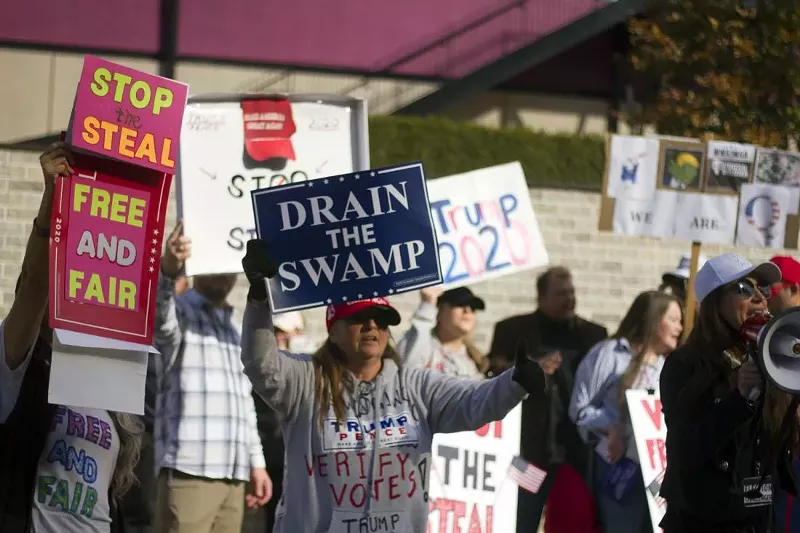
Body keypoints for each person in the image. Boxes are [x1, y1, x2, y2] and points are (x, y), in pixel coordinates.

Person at [237, 238, 550, 532]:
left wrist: (515, 381)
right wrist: (260, 298)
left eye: (382, 319)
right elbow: (261, 363)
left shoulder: (414, 384)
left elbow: (474, 401)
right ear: (334, 330)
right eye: (361, 317)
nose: (373, 325)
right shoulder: (305, 378)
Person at [0, 142, 144, 533]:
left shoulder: (107, 386)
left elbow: (112, 499)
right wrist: (52, 199)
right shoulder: (19, 368)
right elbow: (32, 285)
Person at [660, 252, 798, 533]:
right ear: (714, 303)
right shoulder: (686, 364)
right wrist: (738, 400)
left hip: (758, 517)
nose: (760, 297)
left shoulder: (766, 356)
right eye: (745, 289)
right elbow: (684, 449)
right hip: (704, 521)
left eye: (764, 288)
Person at [152, 221, 272, 533]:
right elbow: (159, 315)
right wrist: (168, 268)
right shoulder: (180, 313)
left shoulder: (234, 328)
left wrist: (256, 463)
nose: (222, 270)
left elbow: (244, 402)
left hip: (234, 475)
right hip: (189, 471)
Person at [488, 266, 607, 533]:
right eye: (561, 293)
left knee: (573, 522)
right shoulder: (512, 331)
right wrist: (529, 369)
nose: (569, 299)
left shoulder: (593, 335)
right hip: (528, 452)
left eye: (572, 292)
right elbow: (493, 377)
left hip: (575, 454)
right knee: (523, 518)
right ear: (541, 297)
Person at [570, 291, 682, 533]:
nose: (679, 327)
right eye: (673, 320)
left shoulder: (668, 366)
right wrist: (612, 426)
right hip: (618, 469)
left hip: (658, 474)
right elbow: (579, 411)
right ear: (653, 321)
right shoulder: (609, 353)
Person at [123, 275, 189, 533]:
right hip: (137, 427)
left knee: (151, 509)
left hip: (160, 431)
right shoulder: (146, 321)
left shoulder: (183, 323)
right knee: (137, 507)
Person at [396, 286, 488, 377]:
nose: (467, 310)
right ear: (440, 311)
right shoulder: (424, 348)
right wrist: (427, 305)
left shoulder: (476, 359)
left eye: (473, 307)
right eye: (460, 304)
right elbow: (409, 369)